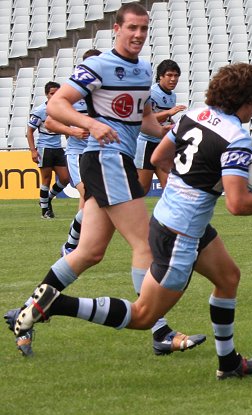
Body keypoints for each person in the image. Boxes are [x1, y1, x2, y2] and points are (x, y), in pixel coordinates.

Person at [14, 63, 252, 379]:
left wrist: (194, 181)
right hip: (182, 234)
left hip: (170, 218)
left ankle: (229, 363)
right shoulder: (236, 138)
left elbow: (158, 159)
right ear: (247, 100)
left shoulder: (195, 114)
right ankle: (57, 304)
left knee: (228, 277)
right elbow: (237, 204)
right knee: (142, 316)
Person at [5, 2, 205, 357]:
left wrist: (174, 131)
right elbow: (57, 106)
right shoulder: (96, 66)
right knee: (145, 243)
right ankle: (159, 330)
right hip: (107, 161)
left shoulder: (143, 71)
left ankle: (25, 310)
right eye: (132, 28)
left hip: (114, 161)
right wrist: (91, 124)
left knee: (89, 252)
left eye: (144, 29)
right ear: (116, 29)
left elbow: (142, 120)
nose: (139, 35)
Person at [45, 49, 102, 256]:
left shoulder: (103, 94)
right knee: (87, 194)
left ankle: (76, 245)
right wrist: (72, 130)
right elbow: (50, 122)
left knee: (90, 201)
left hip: (98, 154)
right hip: (78, 154)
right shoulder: (71, 94)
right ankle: (72, 246)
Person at [135, 59, 186, 194]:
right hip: (147, 143)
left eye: (176, 76)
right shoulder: (152, 93)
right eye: (169, 75)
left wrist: (173, 123)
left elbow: (164, 118)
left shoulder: (172, 96)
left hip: (162, 143)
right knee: (142, 187)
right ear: (160, 76)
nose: (173, 79)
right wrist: (169, 112)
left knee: (170, 186)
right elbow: (145, 118)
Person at [27, 81, 70, 219]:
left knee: (65, 178)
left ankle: (47, 199)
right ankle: (45, 212)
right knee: (46, 178)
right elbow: (29, 131)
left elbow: (66, 129)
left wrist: (70, 144)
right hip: (44, 148)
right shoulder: (40, 111)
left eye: (57, 93)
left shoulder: (63, 109)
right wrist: (33, 150)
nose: (55, 95)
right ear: (47, 95)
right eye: (52, 93)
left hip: (58, 148)